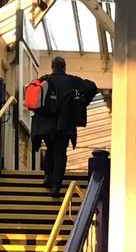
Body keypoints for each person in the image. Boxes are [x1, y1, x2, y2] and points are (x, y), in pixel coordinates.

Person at [29, 56, 98, 198]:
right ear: (64, 67)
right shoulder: (72, 81)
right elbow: (92, 87)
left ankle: (47, 176)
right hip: (64, 124)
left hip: (46, 125)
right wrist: (81, 102)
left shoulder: (45, 80)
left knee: (50, 150)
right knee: (60, 153)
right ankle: (56, 185)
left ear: (52, 67)